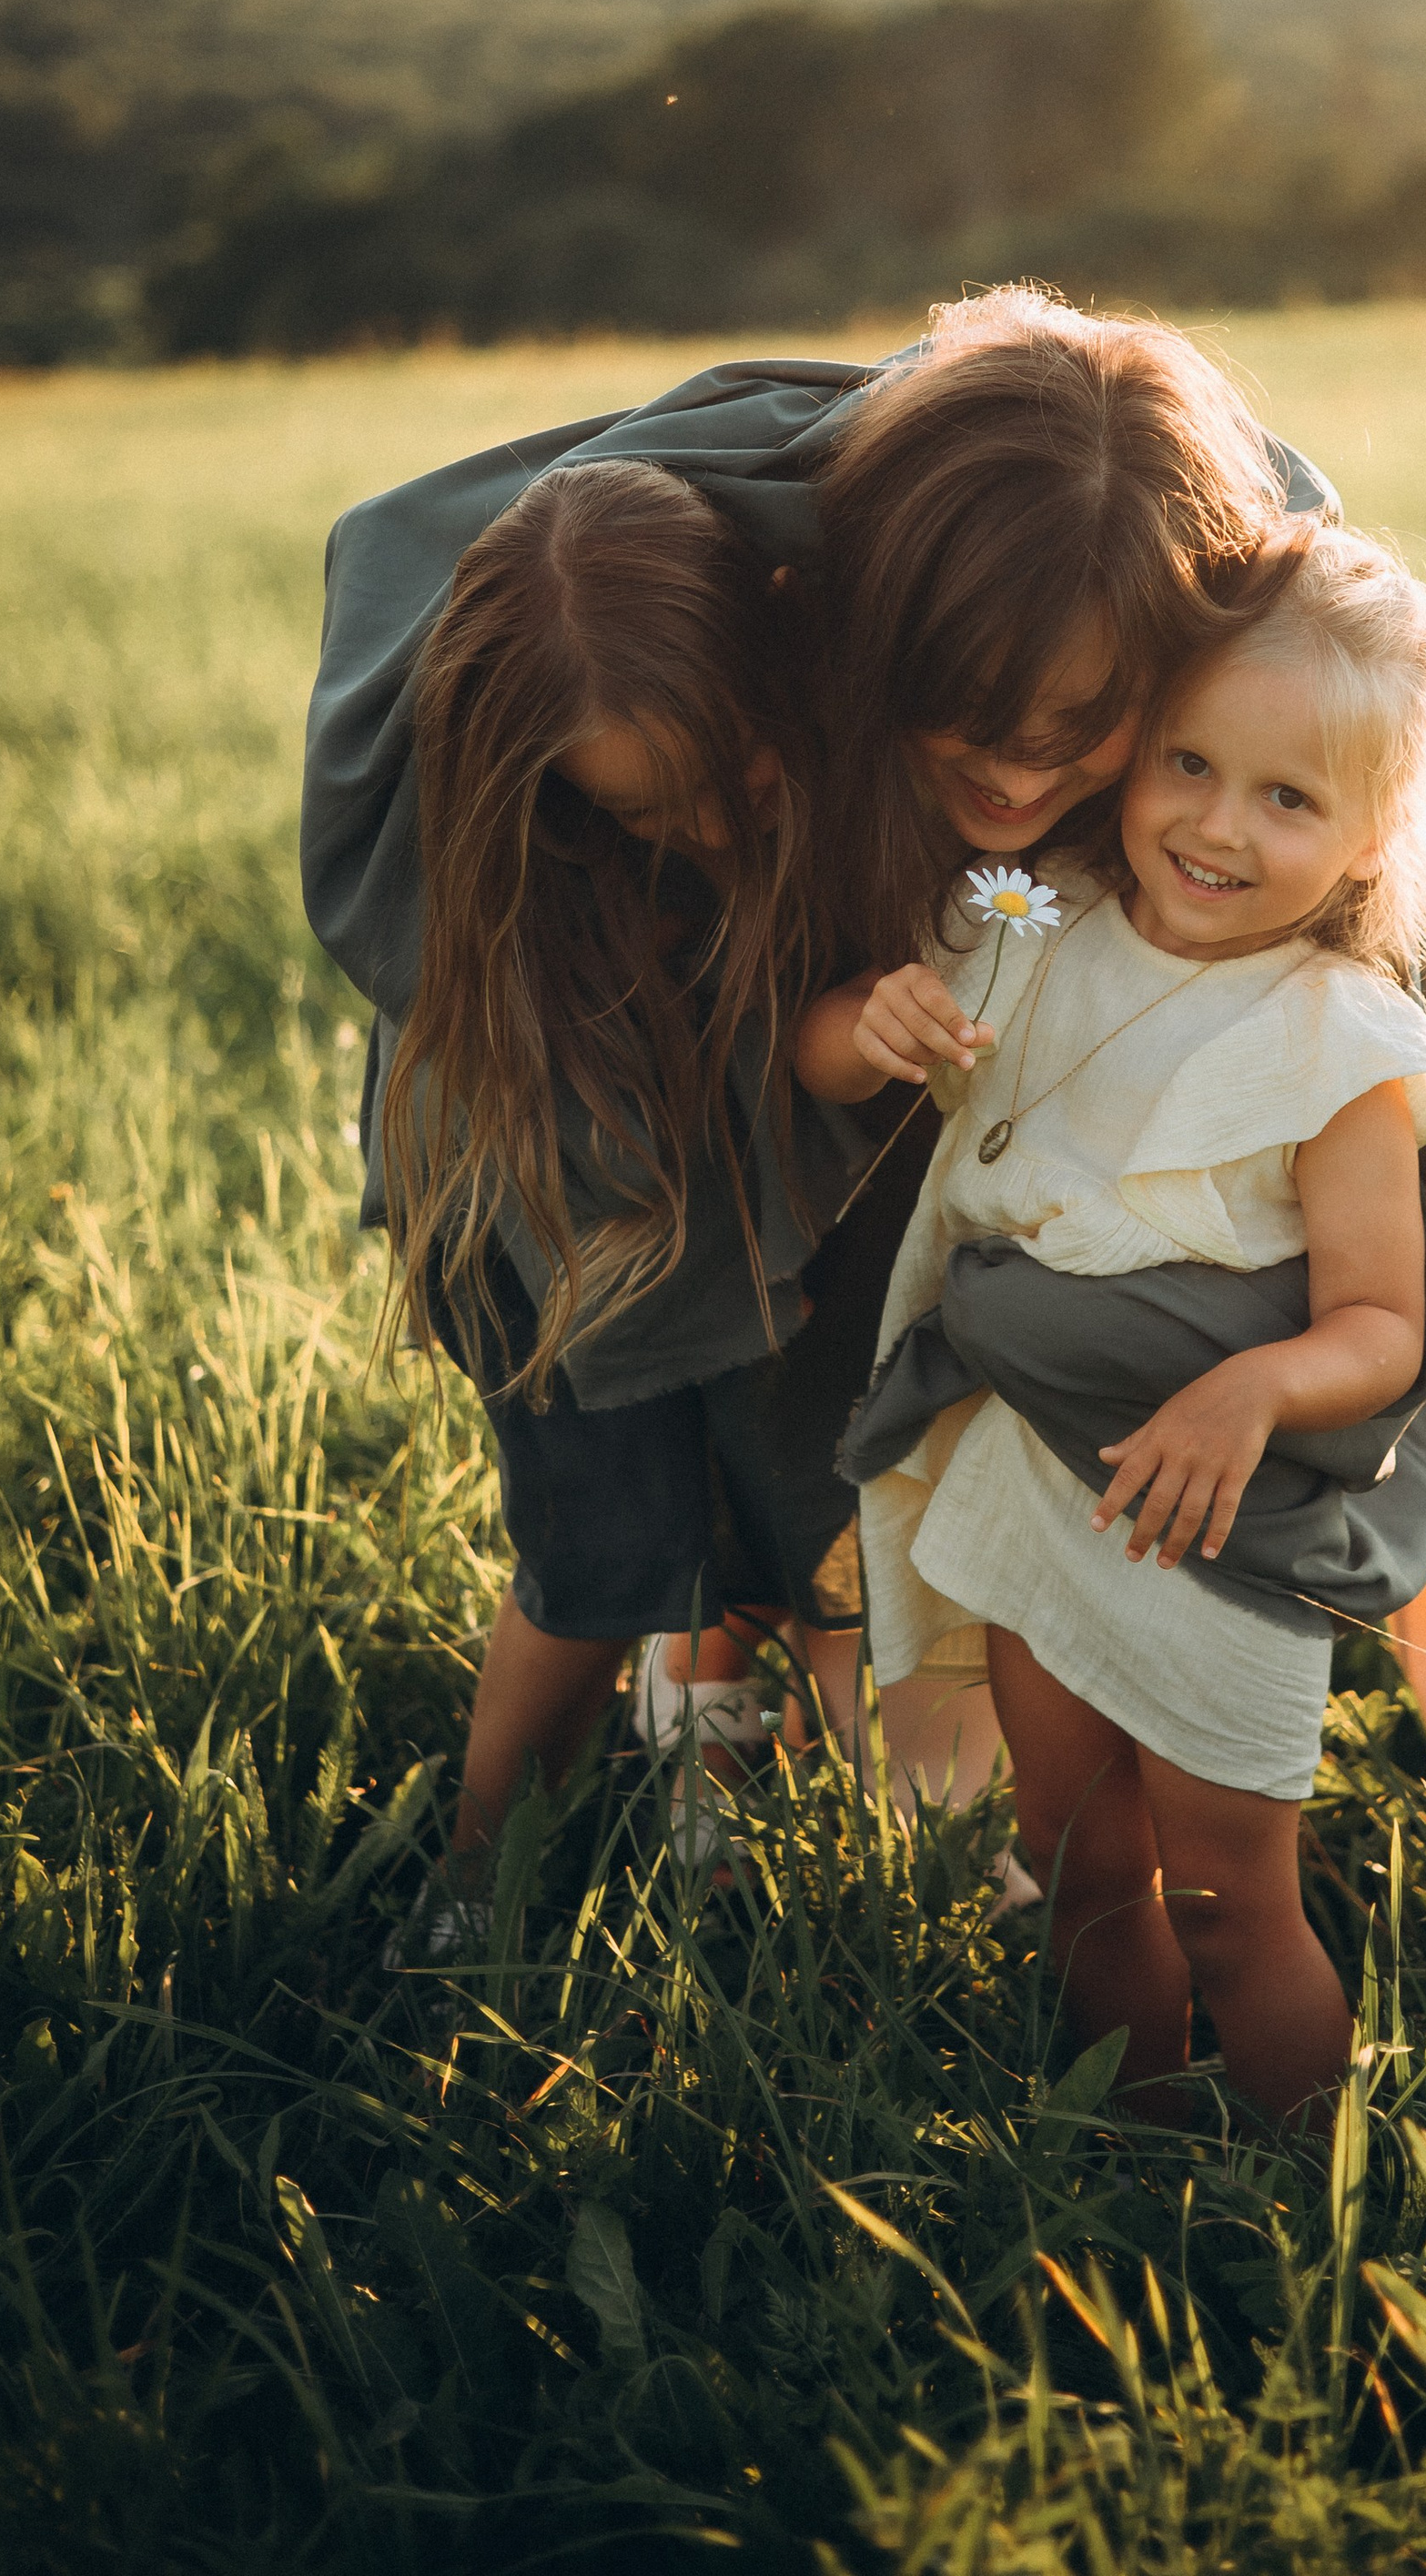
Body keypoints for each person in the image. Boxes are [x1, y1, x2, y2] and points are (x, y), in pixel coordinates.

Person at [307, 286, 1426, 2156]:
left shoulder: (1267, 651)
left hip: (1268, 1077)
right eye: (958, 729)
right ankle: (898, 1854)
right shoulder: (749, 598)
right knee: (860, 1489)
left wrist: (1360, 1302)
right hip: (903, 1131)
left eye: (1083, 731)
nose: (1012, 779)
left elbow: (1418, 1198)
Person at [805, 527, 1426, 2127]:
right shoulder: (1032, 918)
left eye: (1288, 799)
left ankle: (1300, 2186)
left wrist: (1256, 1387)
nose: (1215, 825)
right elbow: (828, 1043)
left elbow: (1382, 1326)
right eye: (1187, 762)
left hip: (1204, 1521)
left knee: (1230, 1899)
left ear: (1379, 835)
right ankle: (1145, 2140)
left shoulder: (1342, 1045)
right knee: (1074, 1856)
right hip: (1038, 1486)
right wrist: (867, 1025)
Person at [307, 457, 873, 1910]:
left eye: (736, 776)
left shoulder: (815, 748)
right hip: (548, 1242)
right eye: (649, 808)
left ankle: (765, 1832)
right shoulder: (505, 890)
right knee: (601, 1559)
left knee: (807, 1521)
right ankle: (482, 1879)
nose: (708, 824)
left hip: (747, 1211)